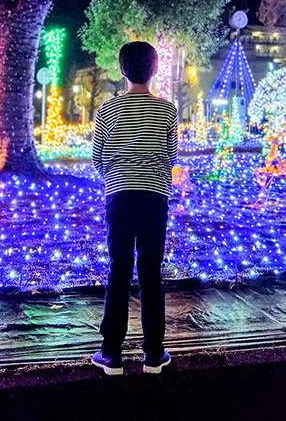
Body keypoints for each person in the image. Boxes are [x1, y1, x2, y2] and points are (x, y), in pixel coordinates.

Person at [90, 41, 178, 376]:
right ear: (155, 68)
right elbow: (171, 156)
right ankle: (154, 354)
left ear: (122, 70)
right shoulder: (167, 110)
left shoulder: (107, 109)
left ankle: (110, 353)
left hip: (120, 197)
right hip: (154, 197)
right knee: (151, 272)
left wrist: (116, 177)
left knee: (119, 270)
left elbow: (97, 158)